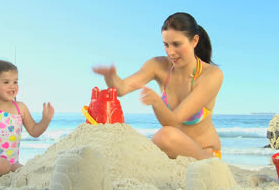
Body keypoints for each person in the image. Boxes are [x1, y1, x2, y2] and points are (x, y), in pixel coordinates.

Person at [93, 12, 223, 160]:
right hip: (174, 154)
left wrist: (156, 102)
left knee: (164, 136)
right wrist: (111, 77)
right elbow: (121, 89)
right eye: (166, 45)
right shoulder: (158, 66)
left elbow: (173, 121)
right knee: (153, 140)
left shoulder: (212, 75)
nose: (170, 52)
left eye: (177, 44)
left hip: (205, 154)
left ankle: (208, 161)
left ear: (194, 41)